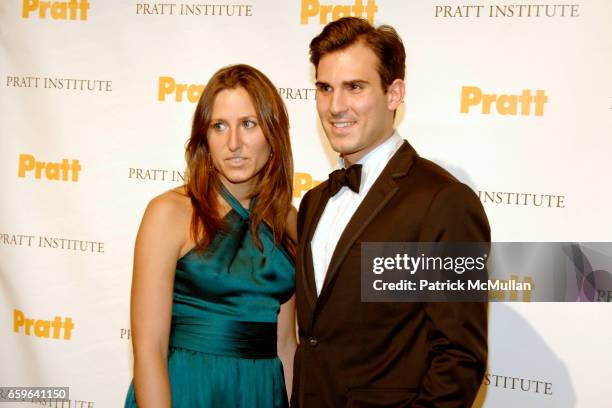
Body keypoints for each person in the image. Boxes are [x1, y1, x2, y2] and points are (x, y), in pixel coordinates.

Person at [292, 17, 490, 407]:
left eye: (355, 87)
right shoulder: (314, 202)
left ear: (394, 93)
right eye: (325, 88)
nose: (335, 106)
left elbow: (460, 359)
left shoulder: (444, 202)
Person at [125, 64, 297, 407]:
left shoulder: (289, 221)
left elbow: (285, 345)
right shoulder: (169, 213)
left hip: (261, 393)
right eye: (219, 126)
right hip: (189, 388)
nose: (233, 143)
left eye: (248, 124)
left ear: (273, 133)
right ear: (205, 136)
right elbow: (149, 349)